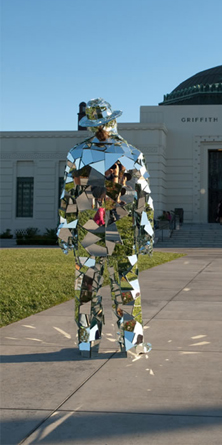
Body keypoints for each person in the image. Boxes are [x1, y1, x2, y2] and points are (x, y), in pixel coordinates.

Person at [57, 98, 153, 358]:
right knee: (122, 288)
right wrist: (145, 229)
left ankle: (89, 343)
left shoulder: (79, 154)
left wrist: (66, 227)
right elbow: (143, 197)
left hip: (94, 228)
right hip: (112, 227)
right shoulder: (131, 153)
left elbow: (69, 197)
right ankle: (129, 342)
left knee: (91, 288)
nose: (101, 130)